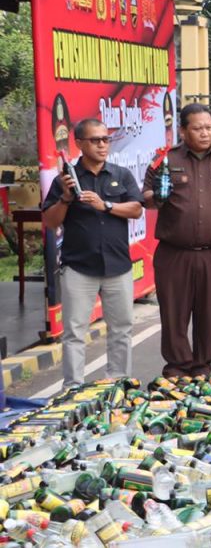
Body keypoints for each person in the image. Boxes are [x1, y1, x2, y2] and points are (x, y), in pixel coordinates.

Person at [143, 104, 211, 377]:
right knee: (174, 315)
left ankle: (202, 368)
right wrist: (157, 194)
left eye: (209, 127)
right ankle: (178, 368)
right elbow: (146, 198)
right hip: (174, 253)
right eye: (197, 128)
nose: (205, 133)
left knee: (209, 315)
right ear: (183, 131)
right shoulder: (165, 160)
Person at [42, 120, 144, 388]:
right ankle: (73, 388)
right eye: (95, 140)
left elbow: (136, 209)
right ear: (79, 144)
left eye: (105, 140)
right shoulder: (65, 180)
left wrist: (105, 205)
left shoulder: (120, 175)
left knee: (121, 329)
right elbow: (51, 222)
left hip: (118, 266)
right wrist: (65, 197)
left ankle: (118, 383)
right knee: (75, 333)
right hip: (79, 268)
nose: (102, 145)